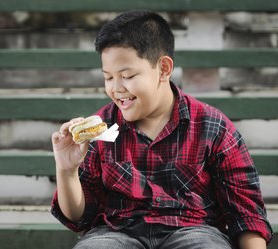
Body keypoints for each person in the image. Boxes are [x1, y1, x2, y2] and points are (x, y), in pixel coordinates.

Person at [51, 10, 273, 249]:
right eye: (108, 78)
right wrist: (67, 170)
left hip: (193, 231)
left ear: (164, 69)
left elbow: (247, 216)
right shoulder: (100, 128)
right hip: (117, 232)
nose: (116, 88)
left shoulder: (212, 126)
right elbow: (77, 217)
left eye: (127, 75)